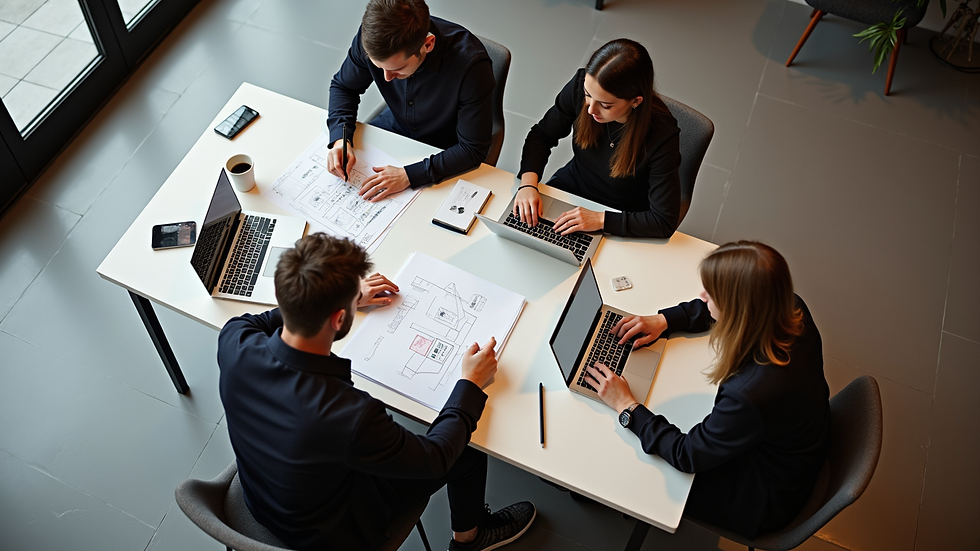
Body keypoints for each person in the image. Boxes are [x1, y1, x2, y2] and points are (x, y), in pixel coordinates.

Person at [217, 233, 535, 551]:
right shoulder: (348, 414)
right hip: (333, 531)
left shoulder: (234, 341)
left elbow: (266, 319)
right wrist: (469, 383)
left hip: (263, 496)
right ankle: (471, 540)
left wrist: (336, 299)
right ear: (340, 319)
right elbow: (435, 458)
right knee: (467, 450)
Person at [585, 241, 830, 539]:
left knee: (625, 453)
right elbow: (718, 309)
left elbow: (686, 454)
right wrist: (664, 320)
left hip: (763, 496)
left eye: (711, 295)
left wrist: (627, 407)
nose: (702, 298)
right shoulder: (790, 307)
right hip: (792, 447)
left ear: (739, 311)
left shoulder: (750, 393)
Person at [326, 0, 494, 203]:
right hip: (396, 125)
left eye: (397, 69)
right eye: (379, 67)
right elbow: (344, 87)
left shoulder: (471, 67)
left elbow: (472, 149)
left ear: (428, 44)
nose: (386, 78)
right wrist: (340, 139)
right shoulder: (370, 38)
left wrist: (408, 176)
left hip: (445, 149)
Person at [515, 38, 681, 238]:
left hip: (621, 214)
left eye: (605, 105)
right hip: (573, 187)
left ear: (636, 101)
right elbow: (541, 135)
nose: (591, 109)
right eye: (588, 95)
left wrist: (600, 219)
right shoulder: (580, 85)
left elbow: (663, 221)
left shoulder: (662, 135)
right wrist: (527, 185)